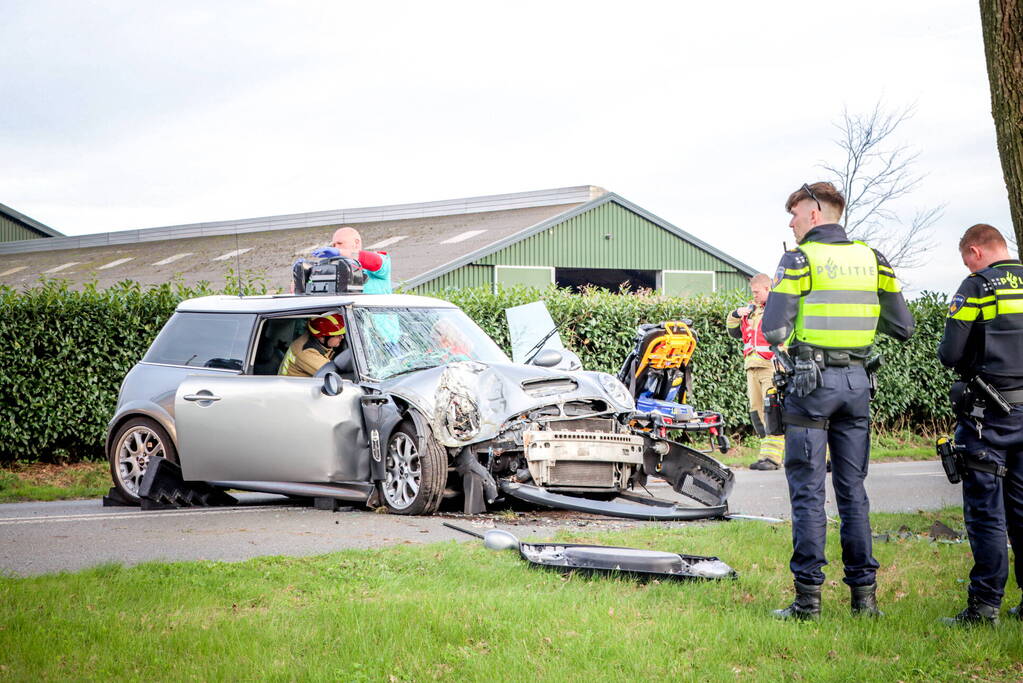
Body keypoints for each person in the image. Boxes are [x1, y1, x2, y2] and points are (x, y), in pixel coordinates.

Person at [762, 181, 914, 620]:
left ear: (814, 212)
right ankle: (864, 601)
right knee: (853, 492)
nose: (790, 223)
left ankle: (808, 602)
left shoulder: (799, 259)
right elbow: (903, 326)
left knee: (808, 493)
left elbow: (773, 330)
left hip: (812, 386)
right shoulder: (873, 259)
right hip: (858, 384)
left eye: (793, 214)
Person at [937, 223, 1023, 625]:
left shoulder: (977, 286)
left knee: (987, 513)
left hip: (988, 419)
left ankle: (984, 606)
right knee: (1022, 511)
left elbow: (950, 353)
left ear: (974, 251)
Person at [727, 273, 786, 470]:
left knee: (773, 411)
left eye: (757, 292)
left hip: (771, 367)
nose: (754, 296)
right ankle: (765, 455)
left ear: (768, 289)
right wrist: (736, 313)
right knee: (756, 412)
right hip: (751, 367)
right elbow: (734, 331)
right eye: (753, 292)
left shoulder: (778, 309)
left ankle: (773, 458)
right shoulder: (752, 311)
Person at [278, 314, 346, 377]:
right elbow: (336, 377)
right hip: (292, 388)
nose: (342, 337)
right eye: (338, 335)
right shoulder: (307, 353)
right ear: (322, 337)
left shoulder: (314, 339)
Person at [331, 226, 393, 294]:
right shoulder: (335, 268)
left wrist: (341, 252)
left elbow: (376, 263)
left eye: (340, 243)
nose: (336, 248)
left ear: (356, 243)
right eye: (334, 245)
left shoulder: (382, 259)